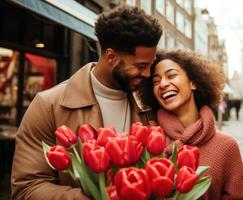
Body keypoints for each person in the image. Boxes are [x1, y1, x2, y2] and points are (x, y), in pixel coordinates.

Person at [11, 6, 162, 200]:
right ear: (111, 57)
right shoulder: (48, 105)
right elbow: (26, 189)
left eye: (150, 64)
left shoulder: (151, 103)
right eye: (141, 66)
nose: (148, 74)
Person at [139, 50, 243, 200]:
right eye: (156, 81)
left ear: (193, 82)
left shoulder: (227, 146)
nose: (162, 84)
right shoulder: (148, 138)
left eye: (171, 75)